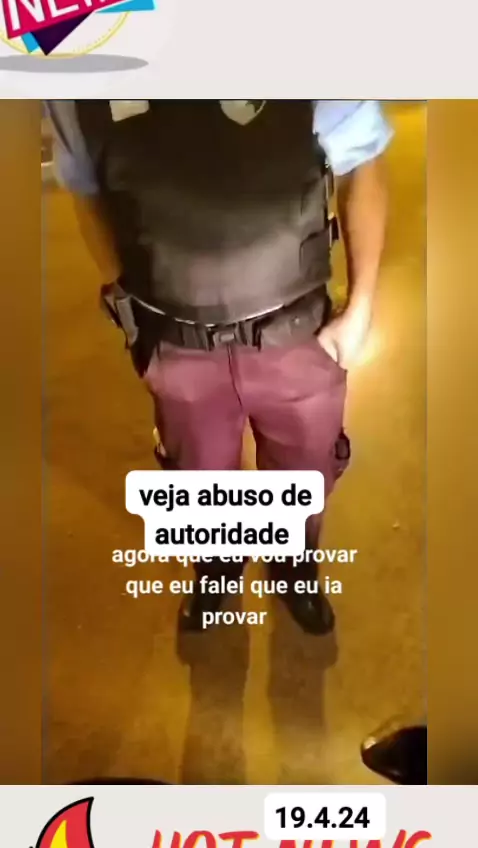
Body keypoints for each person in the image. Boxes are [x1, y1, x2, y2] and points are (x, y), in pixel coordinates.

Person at [45, 100, 392, 635]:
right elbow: (86, 187)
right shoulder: (82, 64)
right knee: (199, 479)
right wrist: (131, 307)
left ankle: (294, 565)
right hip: (178, 344)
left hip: (295, 336)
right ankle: (218, 569)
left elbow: (362, 158)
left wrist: (362, 304)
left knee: (304, 474)